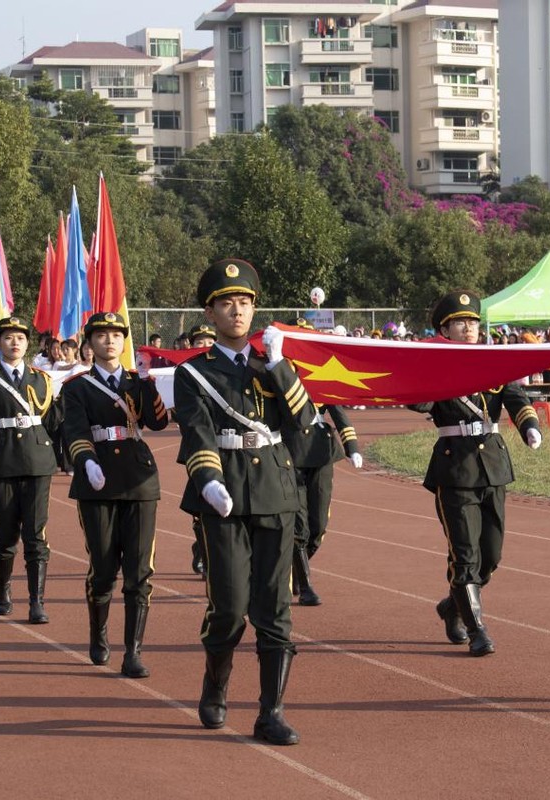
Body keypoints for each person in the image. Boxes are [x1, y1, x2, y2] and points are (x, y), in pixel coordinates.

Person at [174, 258, 317, 745]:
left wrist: (279, 367)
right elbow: (197, 434)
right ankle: (215, 685)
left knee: (275, 607)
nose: (237, 310)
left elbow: (305, 421)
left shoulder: (273, 363)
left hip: (275, 492)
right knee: (230, 606)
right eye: (227, 303)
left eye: (245, 302)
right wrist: (209, 480)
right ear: (210, 312)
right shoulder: (194, 373)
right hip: (224, 495)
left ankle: (270, 711)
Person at [409, 290, 543, 657]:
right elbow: (417, 399)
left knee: (491, 555)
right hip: (455, 469)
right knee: (465, 554)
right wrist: (418, 365)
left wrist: (528, 425)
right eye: (460, 323)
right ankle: (477, 627)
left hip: (494, 465)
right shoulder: (436, 366)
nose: (468, 329)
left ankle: (453, 605)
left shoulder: (492, 362)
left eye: (472, 323)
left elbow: (514, 395)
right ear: (445, 330)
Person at [62, 312, 169, 678]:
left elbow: (157, 423)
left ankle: (134, 651)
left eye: (116, 335)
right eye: (101, 335)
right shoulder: (76, 387)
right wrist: (86, 461)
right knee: (105, 569)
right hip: (98, 481)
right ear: (89, 343)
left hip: (139, 479)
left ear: (124, 342)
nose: (110, 341)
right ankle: (99, 633)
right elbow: (74, 430)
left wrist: (148, 384)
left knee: (140, 572)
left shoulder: (137, 381)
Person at [0, 316, 61, 623]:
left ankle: (37, 601)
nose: (15, 342)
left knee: (35, 535)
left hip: (37, 461)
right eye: (8, 338)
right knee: (6, 533)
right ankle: (4, 590)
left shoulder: (42, 379)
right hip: (4, 461)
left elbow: (52, 423)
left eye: (20, 338)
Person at [282, 320, 363, 606]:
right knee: (298, 526)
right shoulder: (277, 371)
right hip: (289, 451)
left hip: (321, 452)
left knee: (318, 527)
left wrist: (351, 445)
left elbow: (337, 410)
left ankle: (292, 566)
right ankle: (305, 586)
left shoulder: (320, 372)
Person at [183, 323, 218, 579]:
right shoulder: (184, 373)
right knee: (201, 505)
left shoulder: (225, 370)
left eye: (209, 342)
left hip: (229, 446)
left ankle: (204, 549)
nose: (204, 346)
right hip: (198, 449)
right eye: (199, 342)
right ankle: (205, 552)